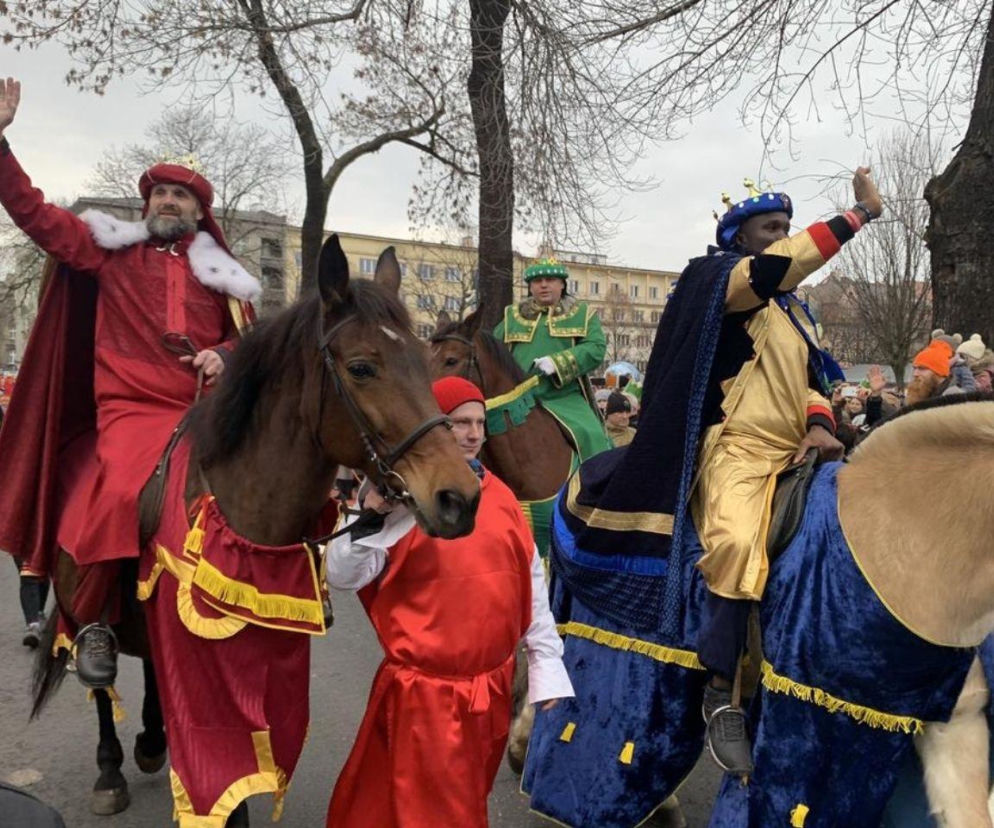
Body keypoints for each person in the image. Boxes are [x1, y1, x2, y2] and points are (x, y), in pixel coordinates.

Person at [0, 77, 258, 687]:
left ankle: (292, 589)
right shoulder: (107, 252)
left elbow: (249, 345)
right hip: (131, 408)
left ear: (200, 212)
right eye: (160, 193)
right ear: (145, 205)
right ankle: (92, 619)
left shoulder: (224, 275)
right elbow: (36, 216)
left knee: (265, 483)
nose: (168, 202)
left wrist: (224, 353)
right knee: (117, 492)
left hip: (203, 409)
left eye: (180, 196)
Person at [325, 376, 574, 828]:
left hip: (491, 693)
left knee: (459, 802)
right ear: (433, 428)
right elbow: (342, 574)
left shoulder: (503, 498)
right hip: (427, 701)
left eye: (479, 422)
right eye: (460, 422)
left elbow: (531, 588)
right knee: (443, 816)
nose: (474, 433)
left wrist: (546, 669)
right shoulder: (404, 504)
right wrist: (369, 516)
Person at [494, 258, 611, 462]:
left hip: (564, 397)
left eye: (550, 279)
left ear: (562, 284)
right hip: (516, 401)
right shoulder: (512, 316)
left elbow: (596, 348)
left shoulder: (583, 314)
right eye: (537, 280)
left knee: (593, 436)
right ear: (530, 286)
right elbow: (492, 349)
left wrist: (558, 362)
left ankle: (596, 489)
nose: (544, 285)